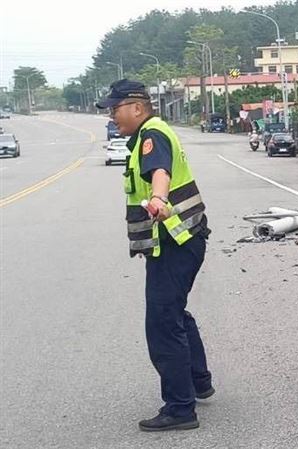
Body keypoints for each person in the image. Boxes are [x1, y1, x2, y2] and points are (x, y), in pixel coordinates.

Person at [96, 79, 213, 432]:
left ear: (136, 106)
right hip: (182, 241)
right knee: (175, 313)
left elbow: (159, 173)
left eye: (115, 109)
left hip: (176, 244)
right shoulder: (150, 134)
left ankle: (180, 408)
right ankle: (198, 381)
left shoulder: (152, 136)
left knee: (162, 324)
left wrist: (159, 200)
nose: (112, 116)